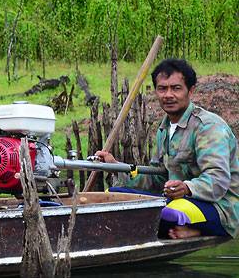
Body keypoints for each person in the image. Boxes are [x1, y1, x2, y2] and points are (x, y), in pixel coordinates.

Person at [95, 58, 239, 239]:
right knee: (114, 196)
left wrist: (187, 187)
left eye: (176, 88)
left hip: (220, 209)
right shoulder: (164, 129)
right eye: (162, 89)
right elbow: (156, 179)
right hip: (177, 200)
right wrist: (116, 166)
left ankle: (196, 230)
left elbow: (218, 181)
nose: (168, 95)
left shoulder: (208, 127)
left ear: (191, 91)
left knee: (171, 211)